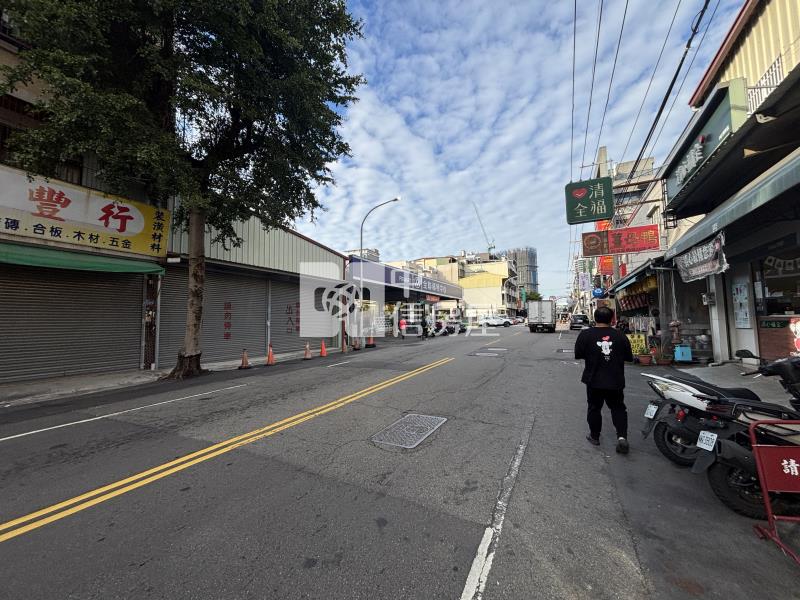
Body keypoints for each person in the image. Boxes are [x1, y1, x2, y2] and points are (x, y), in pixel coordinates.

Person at [574, 306, 634, 454]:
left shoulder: (585, 335)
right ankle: (622, 437)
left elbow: (579, 354)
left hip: (594, 379)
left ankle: (595, 436)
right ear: (611, 319)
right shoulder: (620, 335)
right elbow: (628, 357)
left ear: (595, 318)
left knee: (594, 408)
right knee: (618, 408)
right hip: (615, 379)